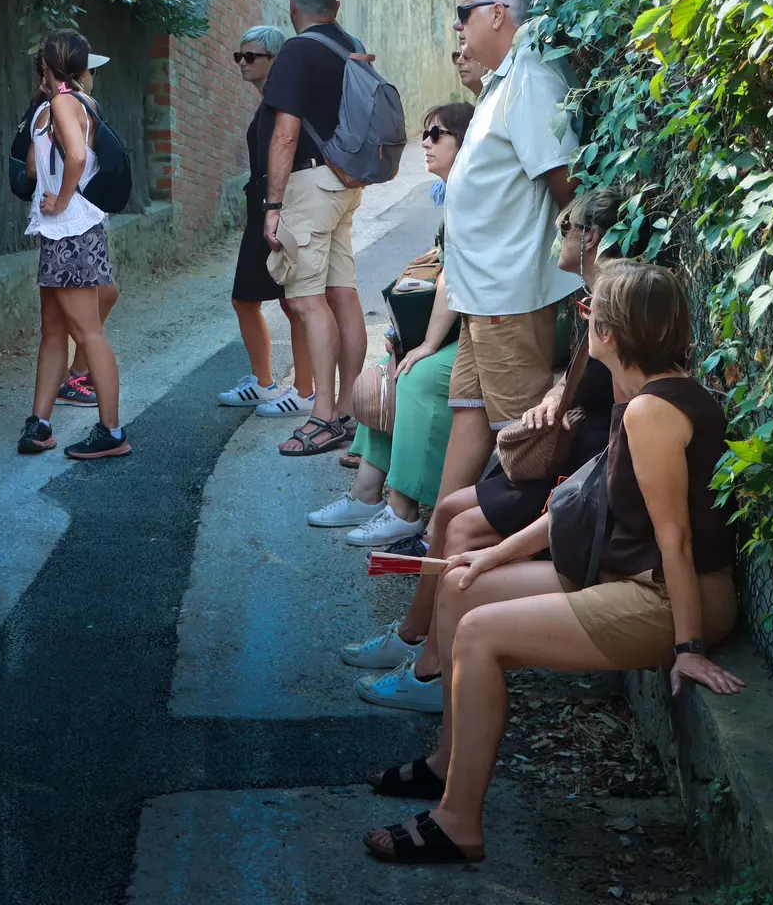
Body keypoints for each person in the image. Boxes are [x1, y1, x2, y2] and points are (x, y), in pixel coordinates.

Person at [357, 260, 744, 866]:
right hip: (632, 576)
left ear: (610, 333)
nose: (583, 321)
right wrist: (487, 557)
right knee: (461, 587)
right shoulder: (643, 396)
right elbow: (579, 502)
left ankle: (458, 823)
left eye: (589, 313)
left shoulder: (652, 412)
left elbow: (678, 542)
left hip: (668, 596)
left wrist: (688, 647)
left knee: (480, 634)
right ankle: (446, 764)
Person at [349, 186, 630, 708]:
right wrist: (554, 396)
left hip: (582, 473)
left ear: (590, 237)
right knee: (448, 508)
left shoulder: (616, 300)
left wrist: (567, 420)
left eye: (565, 229)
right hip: (571, 454)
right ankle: (414, 635)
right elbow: (583, 375)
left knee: (460, 527)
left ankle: (433, 673)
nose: (557, 240)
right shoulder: (592, 295)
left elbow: (626, 406)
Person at [307, 103, 475, 539]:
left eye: (437, 134)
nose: (426, 142)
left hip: (495, 330)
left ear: (466, 142)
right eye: (425, 133)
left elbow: (454, 279)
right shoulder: (454, 194)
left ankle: (404, 509)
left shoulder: (474, 194)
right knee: (388, 370)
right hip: (468, 325)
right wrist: (406, 335)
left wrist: (427, 344)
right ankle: (366, 494)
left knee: (416, 376)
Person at [261, 0, 370, 456]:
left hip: (309, 186)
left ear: (292, 8)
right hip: (346, 183)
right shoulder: (352, 46)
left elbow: (285, 133)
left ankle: (323, 416)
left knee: (306, 300)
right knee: (342, 294)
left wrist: (273, 205)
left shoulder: (297, 52)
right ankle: (349, 411)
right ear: (336, 7)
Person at [16, 30, 130, 461]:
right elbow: (34, 166)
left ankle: (111, 431)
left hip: (71, 230)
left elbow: (77, 158)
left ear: (46, 65)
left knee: (87, 333)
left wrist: (62, 198)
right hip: (61, 233)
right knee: (53, 332)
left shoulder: (64, 103)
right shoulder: (61, 104)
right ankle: (39, 422)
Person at [218, 25, 315, 412]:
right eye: (238, 56)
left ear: (274, 60)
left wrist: (277, 208)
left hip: (280, 210)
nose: (242, 63)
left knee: (294, 303)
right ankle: (264, 384)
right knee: (246, 299)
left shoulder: (282, 101)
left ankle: (304, 392)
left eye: (251, 56)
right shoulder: (269, 101)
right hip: (262, 209)